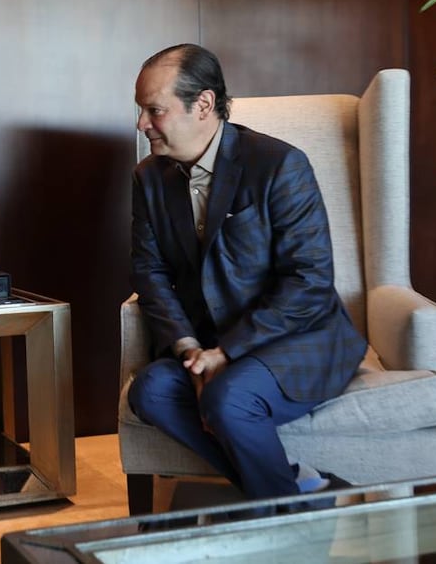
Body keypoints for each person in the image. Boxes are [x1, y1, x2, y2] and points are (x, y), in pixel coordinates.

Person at [127, 43, 367, 503]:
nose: (142, 124)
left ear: (203, 105)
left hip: (300, 339)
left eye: (154, 110)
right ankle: (295, 490)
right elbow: (150, 274)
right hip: (207, 343)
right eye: (141, 110)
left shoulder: (280, 164)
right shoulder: (149, 178)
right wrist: (191, 348)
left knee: (227, 400)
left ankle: (277, 528)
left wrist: (228, 353)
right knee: (152, 391)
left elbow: (309, 282)